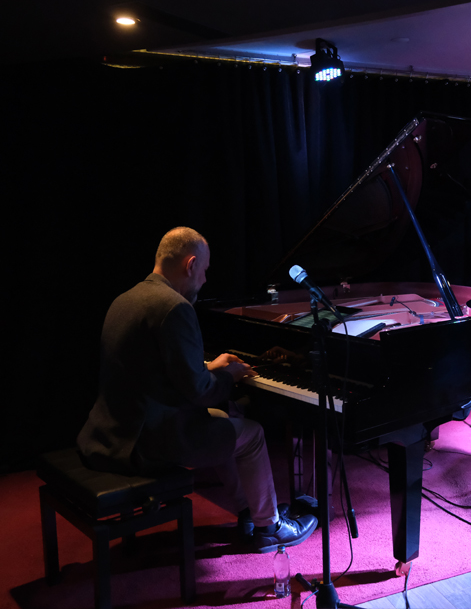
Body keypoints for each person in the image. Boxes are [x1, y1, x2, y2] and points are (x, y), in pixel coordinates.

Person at [77, 226, 317, 552]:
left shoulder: (126, 299)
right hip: (149, 442)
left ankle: (248, 509)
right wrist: (229, 376)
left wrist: (211, 367)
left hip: (113, 433)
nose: (204, 280)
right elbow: (201, 392)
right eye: (204, 271)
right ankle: (270, 527)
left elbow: (154, 372)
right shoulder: (175, 307)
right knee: (252, 434)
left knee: (223, 418)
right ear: (190, 265)